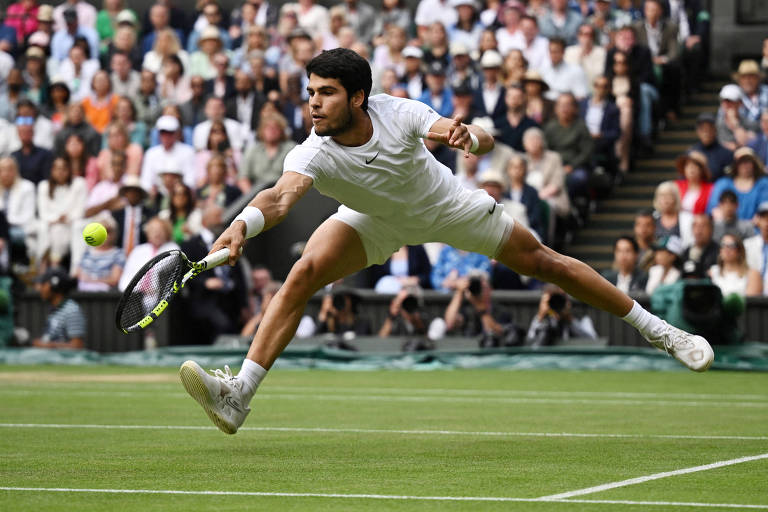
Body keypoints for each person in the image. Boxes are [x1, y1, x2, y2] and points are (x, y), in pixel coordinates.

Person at [178, 48, 713, 435]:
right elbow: (279, 197)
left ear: (358, 97)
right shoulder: (311, 150)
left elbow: (475, 136)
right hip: (372, 220)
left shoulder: (401, 112)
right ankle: (238, 396)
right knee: (302, 274)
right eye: (311, 93)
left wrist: (469, 135)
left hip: (446, 209)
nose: (314, 104)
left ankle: (662, 332)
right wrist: (244, 224)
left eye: (326, 93)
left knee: (547, 263)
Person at [707, 147, 768, 221]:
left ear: (754, 163)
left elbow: (764, 208)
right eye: (741, 161)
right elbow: (712, 207)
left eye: (748, 161)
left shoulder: (763, 184)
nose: (745, 165)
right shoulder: (723, 183)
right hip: (725, 227)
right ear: (735, 164)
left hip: (754, 229)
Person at [526, 284, 596, 347]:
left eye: (560, 299)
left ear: (567, 301)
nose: (557, 303)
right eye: (553, 300)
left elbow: (593, 341)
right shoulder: (542, 320)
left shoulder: (582, 319)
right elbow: (530, 342)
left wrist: (570, 320)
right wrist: (540, 316)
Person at [31, 267, 85, 350]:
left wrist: (46, 345)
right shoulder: (56, 309)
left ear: (54, 285)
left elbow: (77, 346)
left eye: (43, 284)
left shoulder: (71, 310)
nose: (40, 288)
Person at [74, 215, 125, 291]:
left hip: (104, 297)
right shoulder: (86, 253)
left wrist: (91, 280)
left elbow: (115, 280)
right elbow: (77, 275)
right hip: (82, 294)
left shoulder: (118, 254)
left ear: (114, 233)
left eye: (107, 230)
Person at [691, 112, 733, 182]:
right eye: (703, 129)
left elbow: (728, 180)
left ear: (715, 130)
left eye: (709, 128)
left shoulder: (726, 154)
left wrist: (704, 166)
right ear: (698, 131)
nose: (706, 132)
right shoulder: (692, 153)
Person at [681, 213, 719, 278]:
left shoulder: (718, 252)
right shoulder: (686, 252)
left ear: (711, 229)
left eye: (703, 226)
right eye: (695, 226)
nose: (698, 231)